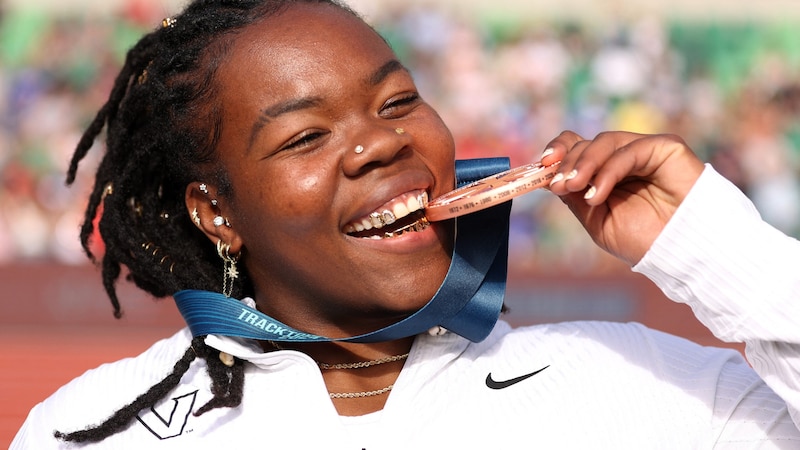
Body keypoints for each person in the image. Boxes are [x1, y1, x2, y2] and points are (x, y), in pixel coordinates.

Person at [11, 0, 800, 448]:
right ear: (217, 212)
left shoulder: (643, 387)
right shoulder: (88, 429)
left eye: (398, 102)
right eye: (305, 137)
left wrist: (715, 248)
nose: (383, 141)